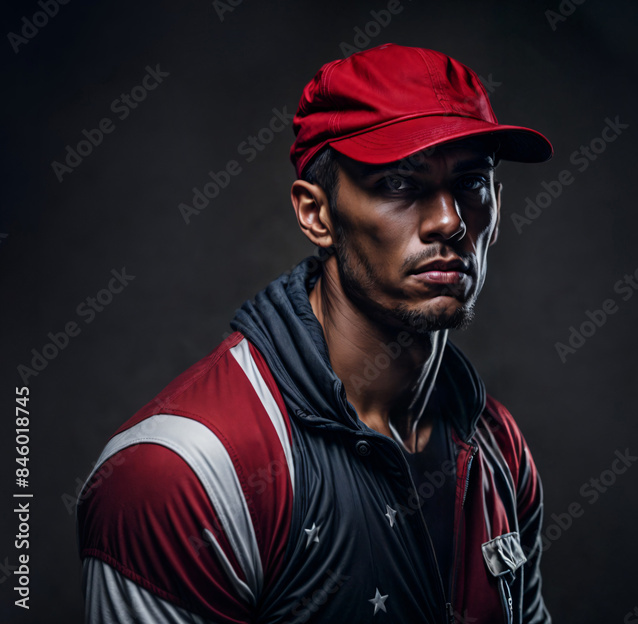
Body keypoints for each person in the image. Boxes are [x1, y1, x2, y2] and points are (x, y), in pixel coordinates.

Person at [76, 43, 554, 623]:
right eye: (401, 184)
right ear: (316, 215)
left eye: (471, 182)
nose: (449, 220)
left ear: (497, 206)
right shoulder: (184, 471)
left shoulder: (497, 447)